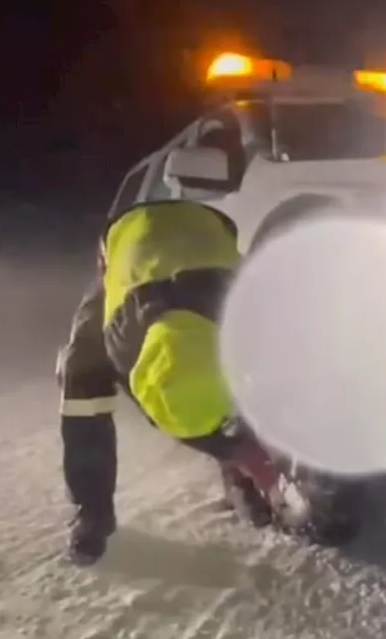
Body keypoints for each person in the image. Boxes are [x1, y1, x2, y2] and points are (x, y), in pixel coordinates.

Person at [55, 200, 290, 565]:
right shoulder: (111, 343)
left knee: (245, 377)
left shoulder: (254, 318)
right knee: (82, 381)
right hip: (152, 241)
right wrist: (244, 454)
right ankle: (93, 510)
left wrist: (260, 455)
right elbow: (171, 408)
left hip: (198, 236)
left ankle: (238, 478)